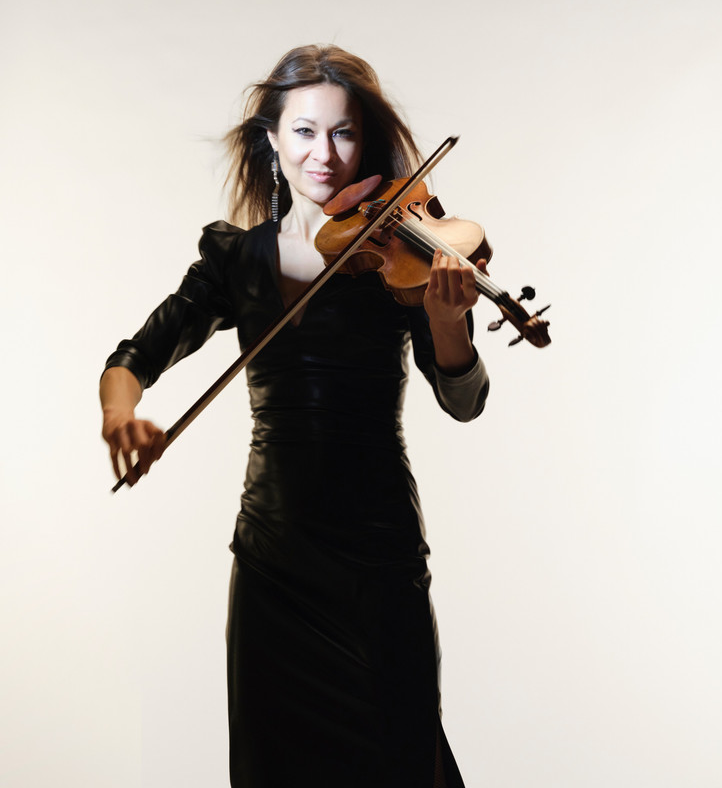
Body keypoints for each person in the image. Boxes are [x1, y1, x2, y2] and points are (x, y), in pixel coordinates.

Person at [100, 44, 494, 787]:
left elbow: (464, 400)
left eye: (344, 133)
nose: (325, 154)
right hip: (273, 560)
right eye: (305, 131)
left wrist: (448, 324)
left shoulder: (404, 251)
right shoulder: (234, 259)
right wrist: (121, 416)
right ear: (272, 139)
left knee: (405, 763)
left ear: (365, 143)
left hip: (378, 552)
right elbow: (132, 359)